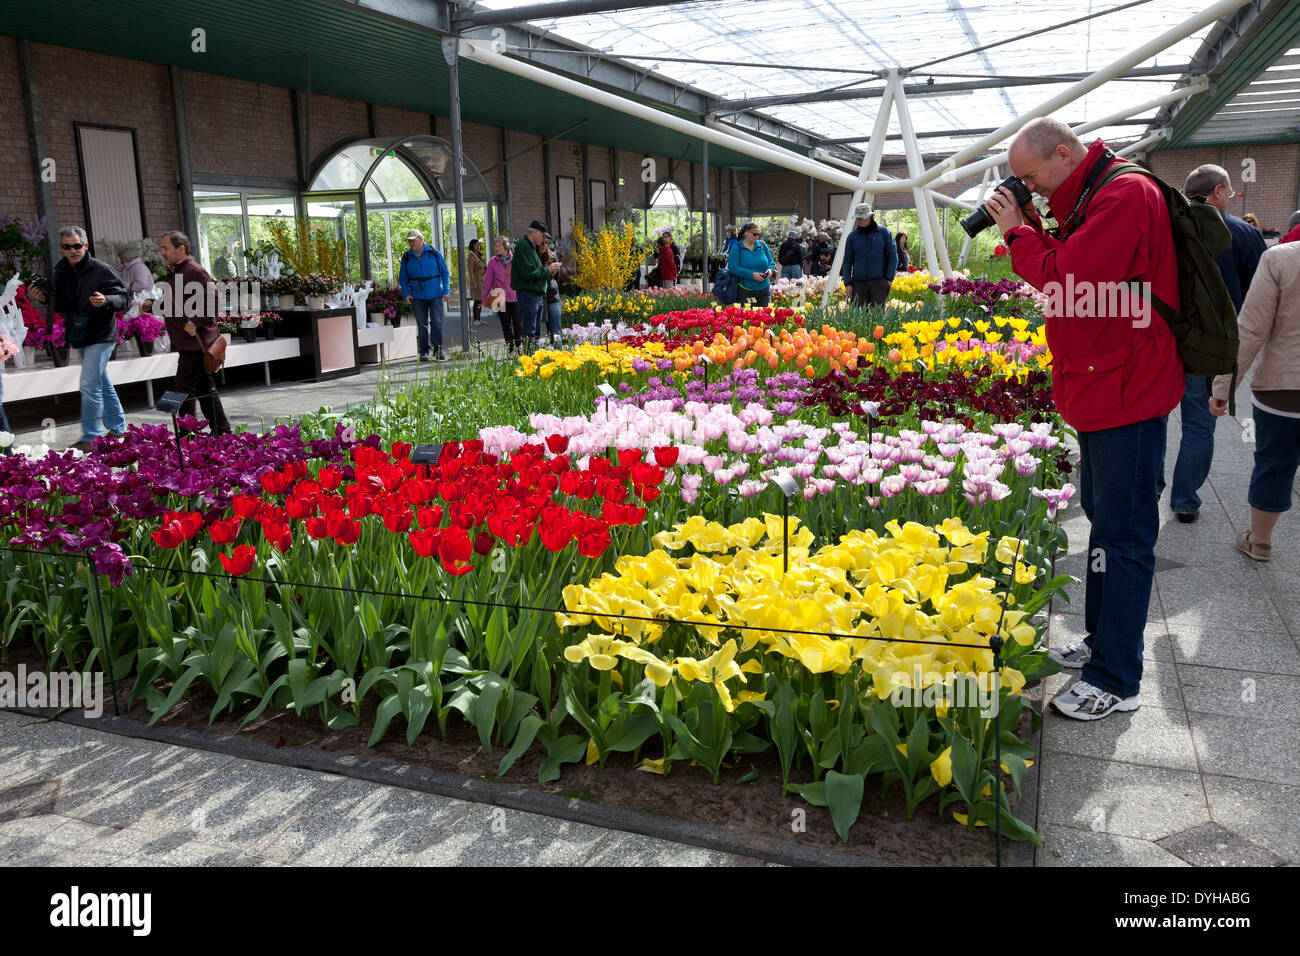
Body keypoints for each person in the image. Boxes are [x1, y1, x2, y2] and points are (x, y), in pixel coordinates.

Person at [985, 117, 1184, 721]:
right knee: (1103, 522)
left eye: (1030, 176)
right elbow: (1078, 269)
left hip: (1127, 392)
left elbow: (1067, 283)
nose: (1027, 188)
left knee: (1124, 537)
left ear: (1066, 154)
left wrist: (1020, 235)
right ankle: (1103, 640)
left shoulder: (1124, 194)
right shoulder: (1095, 194)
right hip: (1103, 388)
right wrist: (1038, 229)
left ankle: (1117, 678)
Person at [1162, 165, 1267, 523]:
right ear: (1218, 192)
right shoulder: (1242, 233)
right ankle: (1185, 500)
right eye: (1231, 191)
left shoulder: (1164, 229)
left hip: (1162, 340)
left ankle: (1149, 489)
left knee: (1154, 417)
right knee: (1198, 424)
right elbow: (1255, 296)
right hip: (1210, 347)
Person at [1209, 241, 1300, 563]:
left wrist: (1223, 386)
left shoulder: (1281, 258)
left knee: (1275, 463)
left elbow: (1250, 328)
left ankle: (1260, 541)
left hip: (1284, 387)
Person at [46, 226, 129, 451]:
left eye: (76, 246)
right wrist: (45, 297)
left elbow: (124, 298)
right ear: (61, 248)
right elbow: (63, 305)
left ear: (85, 245)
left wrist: (107, 300)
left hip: (102, 334)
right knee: (100, 381)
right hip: (80, 334)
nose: (72, 250)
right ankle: (118, 428)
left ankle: (91, 436)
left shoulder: (102, 270)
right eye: (67, 246)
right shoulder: (60, 271)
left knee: (89, 384)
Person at [157, 231, 232, 435]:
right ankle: (221, 431)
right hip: (189, 343)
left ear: (181, 249)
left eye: (166, 248)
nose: (161, 252)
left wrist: (194, 321)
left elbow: (214, 301)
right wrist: (152, 305)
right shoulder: (178, 272)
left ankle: (187, 434)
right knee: (204, 389)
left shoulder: (194, 271)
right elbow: (178, 302)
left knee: (182, 387)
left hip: (195, 343)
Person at [398, 229, 451, 362]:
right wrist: (406, 293)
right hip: (417, 296)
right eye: (409, 241)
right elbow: (403, 278)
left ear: (421, 239)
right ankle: (424, 351)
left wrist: (446, 291)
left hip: (436, 294)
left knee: (436, 322)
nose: (411, 243)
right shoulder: (406, 257)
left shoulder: (434, 253)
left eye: (413, 240)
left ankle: (438, 350)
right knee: (422, 325)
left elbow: (444, 272)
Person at [511, 220, 560, 350]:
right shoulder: (523, 247)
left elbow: (533, 271)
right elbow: (528, 272)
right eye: (543, 236)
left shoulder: (531, 248)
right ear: (535, 232)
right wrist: (548, 270)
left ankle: (533, 362)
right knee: (530, 333)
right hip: (528, 295)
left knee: (535, 333)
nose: (544, 240)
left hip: (536, 295)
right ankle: (529, 363)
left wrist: (547, 271)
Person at [840, 203, 896, 309]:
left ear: (870, 217)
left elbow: (893, 256)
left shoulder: (884, 233)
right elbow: (847, 260)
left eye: (863, 218)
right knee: (858, 318)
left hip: (879, 282)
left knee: (878, 318)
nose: (860, 221)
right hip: (858, 283)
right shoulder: (852, 237)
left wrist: (889, 278)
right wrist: (847, 283)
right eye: (858, 218)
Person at [483, 235, 520, 355]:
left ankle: (519, 344)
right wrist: (484, 297)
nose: (497, 248)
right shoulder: (493, 261)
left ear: (506, 246)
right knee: (506, 325)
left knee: (518, 323)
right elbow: (488, 281)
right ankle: (511, 349)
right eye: (495, 246)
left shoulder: (516, 259)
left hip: (516, 296)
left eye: (499, 246)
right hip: (500, 297)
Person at [725, 221, 776, 307]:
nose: (757, 237)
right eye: (754, 234)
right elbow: (733, 267)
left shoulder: (762, 245)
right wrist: (752, 275)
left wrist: (770, 270)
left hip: (764, 290)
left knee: (765, 318)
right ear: (746, 233)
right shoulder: (737, 248)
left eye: (758, 234)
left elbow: (771, 262)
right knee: (747, 318)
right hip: (746, 291)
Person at [540, 233, 563, 345]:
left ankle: (558, 353)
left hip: (552, 296)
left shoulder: (552, 256)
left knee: (555, 331)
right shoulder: (534, 257)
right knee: (537, 332)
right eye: (542, 243)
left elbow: (557, 277)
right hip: (538, 297)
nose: (544, 245)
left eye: (546, 243)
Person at [466, 238, 486, 326]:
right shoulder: (471, 256)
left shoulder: (479, 256)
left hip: (482, 282)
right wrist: (473, 283)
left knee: (480, 301)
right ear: (472, 246)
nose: (479, 246)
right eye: (476, 245)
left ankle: (478, 318)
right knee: (477, 301)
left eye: (479, 244)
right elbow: (470, 271)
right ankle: (476, 319)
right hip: (476, 282)